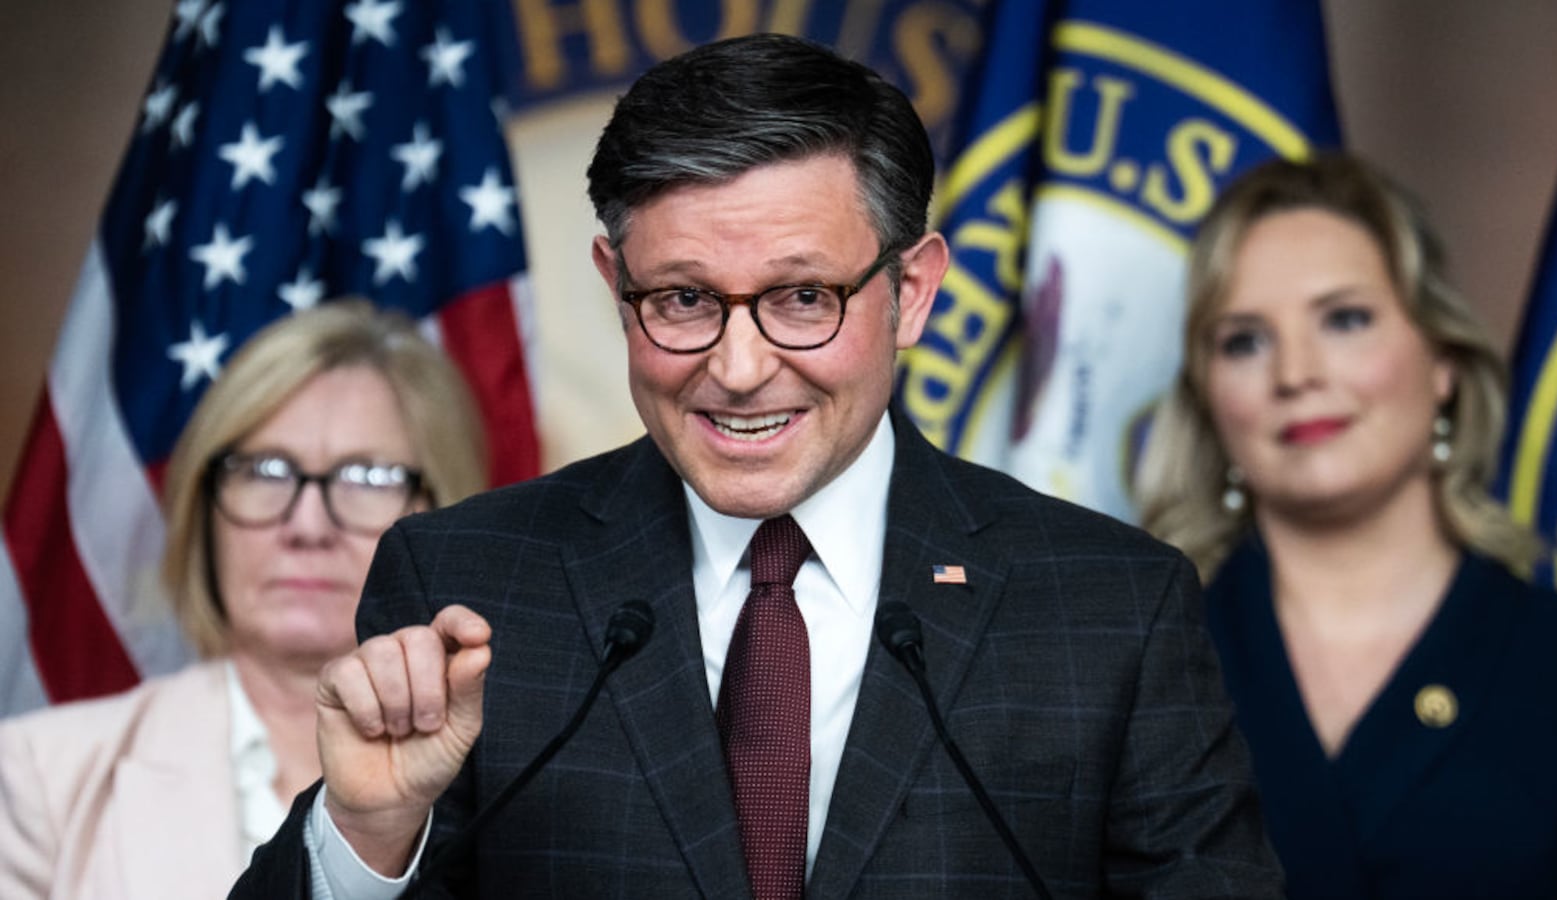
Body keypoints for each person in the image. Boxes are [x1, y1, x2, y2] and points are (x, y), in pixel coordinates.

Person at [232, 34, 1282, 899]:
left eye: (801, 298)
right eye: (683, 300)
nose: (738, 370)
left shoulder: (1109, 608)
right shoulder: (466, 584)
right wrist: (365, 839)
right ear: (616, 283)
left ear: (910, 291)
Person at [1138, 153, 1557, 898]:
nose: (1296, 374)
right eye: (1245, 341)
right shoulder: (1130, 667)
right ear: (1208, 398)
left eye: (1344, 319)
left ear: (1442, 360)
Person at [0, 300, 488, 900]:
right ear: (202, 511)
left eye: (366, 478)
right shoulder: (38, 774)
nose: (307, 525)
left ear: (442, 512)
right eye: (265, 471)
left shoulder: (531, 784)